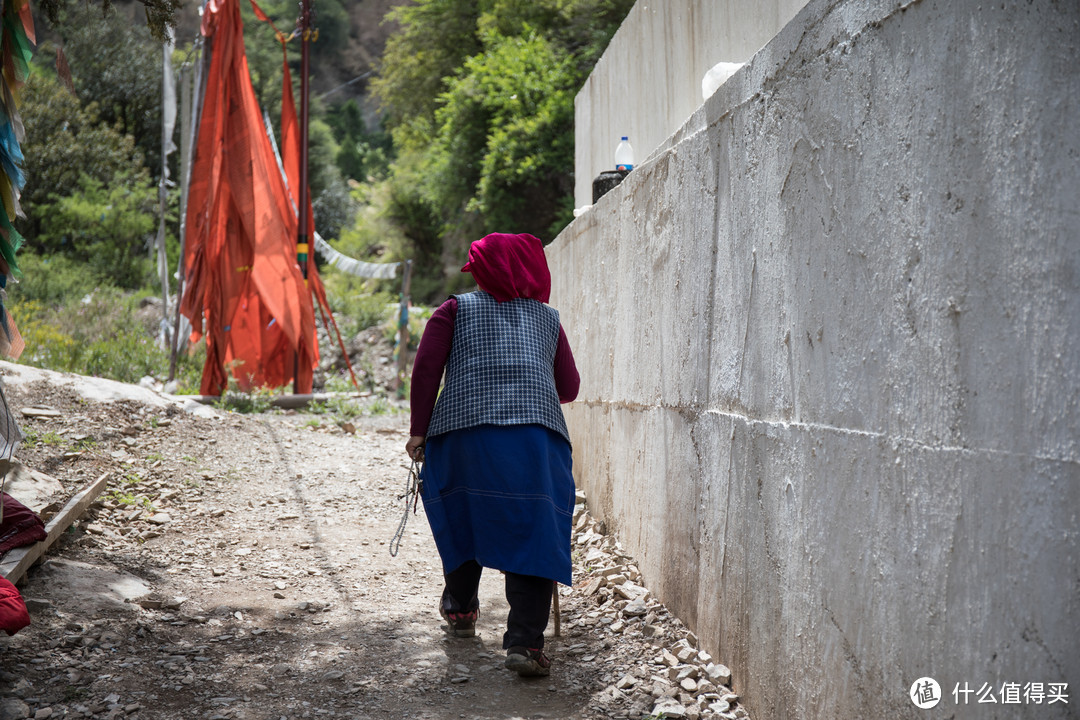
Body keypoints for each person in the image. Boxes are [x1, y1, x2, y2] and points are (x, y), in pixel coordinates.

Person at [406, 232, 580, 678]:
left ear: (482, 272)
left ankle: (461, 608)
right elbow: (570, 388)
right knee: (533, 530)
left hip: (462, 436)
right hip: (534, 440)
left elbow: (426, 371)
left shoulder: (454, 310)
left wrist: (418, 432)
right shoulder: (549, 319)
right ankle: (523, 641)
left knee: (466, 515)